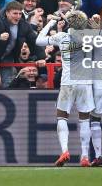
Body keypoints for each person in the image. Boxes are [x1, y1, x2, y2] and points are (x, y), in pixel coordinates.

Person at [36, 10, 94, 167]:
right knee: (84, 119)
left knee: (62, 117)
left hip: (68, 82)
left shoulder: (62, 37)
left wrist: (51, 21)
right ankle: (84, 156)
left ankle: (65, 150)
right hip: (85, 82)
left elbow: (39, 40)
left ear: (69, 23)